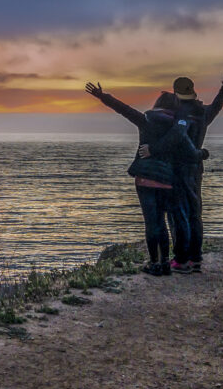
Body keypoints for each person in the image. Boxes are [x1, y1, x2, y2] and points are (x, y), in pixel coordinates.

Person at [85, 82, 208, 276]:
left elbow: (123, 109)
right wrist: (203, 154)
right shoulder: (178, 128)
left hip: (145, 180)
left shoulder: (146, 120)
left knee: (153, 222)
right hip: (168, 181)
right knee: (165, 223)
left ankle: (154, 263)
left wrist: (102, 96)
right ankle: (166, 262)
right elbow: (191, 152)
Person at [172, 75, 223, 273]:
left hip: (178, 167)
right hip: (196, 168)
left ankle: (181, 259)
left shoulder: (178, 113)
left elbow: (174, 138)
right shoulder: (202, 113)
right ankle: (196, 258)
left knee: (179, 213)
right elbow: (216, 107)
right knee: (195, 213)